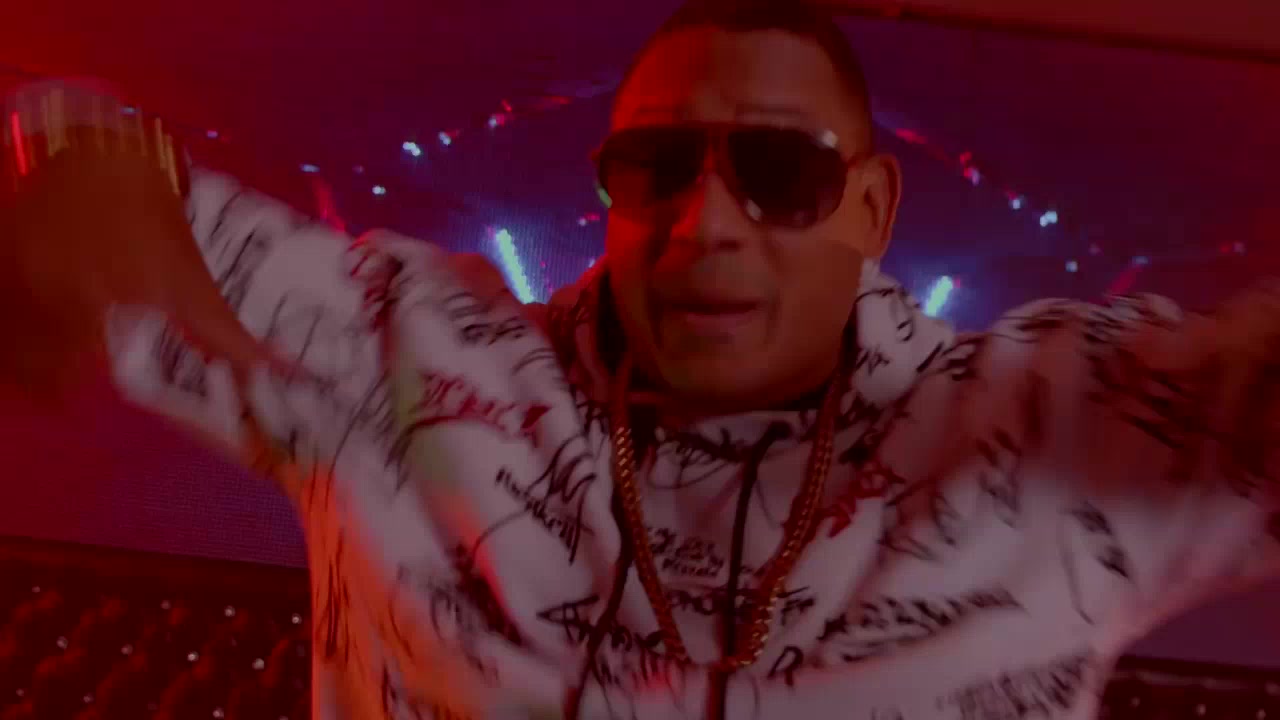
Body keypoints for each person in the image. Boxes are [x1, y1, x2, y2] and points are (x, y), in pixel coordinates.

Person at [3, 1, 1278, 718]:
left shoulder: (1049, 415)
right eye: (655, 167)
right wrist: (76, 163)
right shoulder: (405, 360)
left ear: (871, 210)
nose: (705, 220)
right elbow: (72, 146)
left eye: (777, 171)